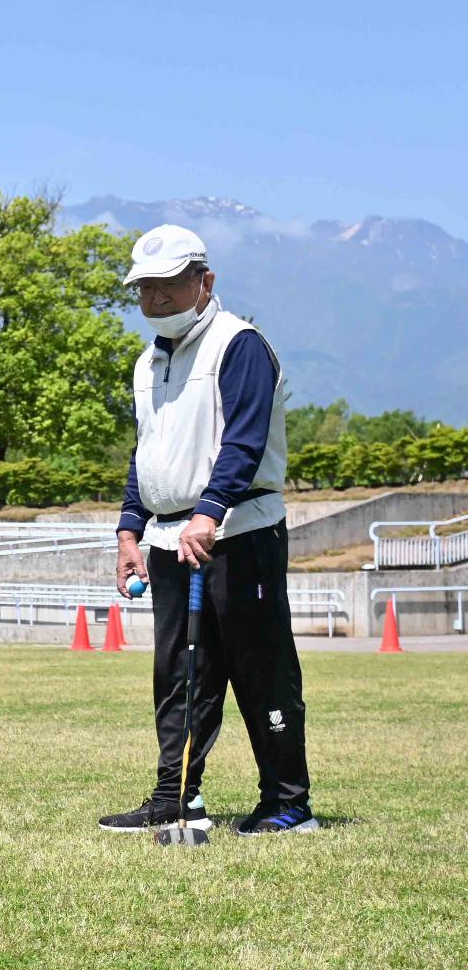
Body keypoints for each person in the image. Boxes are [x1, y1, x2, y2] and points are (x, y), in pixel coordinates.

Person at [102, 225, 315, 836]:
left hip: (239, 530)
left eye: (170, 284)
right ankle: (176, 798)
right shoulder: (148, 362)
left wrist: (210, 509)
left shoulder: (239, 344)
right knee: (178, 673)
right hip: (171, 538)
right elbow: (147, 454)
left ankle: (287, 803)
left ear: (205, 281)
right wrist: (129, 529)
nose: (158, 298)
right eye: (146, 288)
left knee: (260, 667)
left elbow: (244, 439)